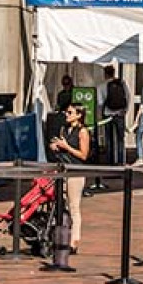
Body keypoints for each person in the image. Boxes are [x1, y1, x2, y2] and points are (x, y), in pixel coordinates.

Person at [49, 103, 92, 254]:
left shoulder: (83, 132)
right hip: (62, 170)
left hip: (75, 172)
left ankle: (74, 241)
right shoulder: (64, 129)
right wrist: (56, 146)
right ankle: (60, 237)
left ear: (79, 115)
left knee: (74, 206)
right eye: (66, 112)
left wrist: (66, 147)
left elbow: (83, 155)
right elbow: (60, 146)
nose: (66, 115)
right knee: (60, 205)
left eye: (70, 112)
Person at [100, 65, 129, 169]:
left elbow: (100, 102)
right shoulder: (121, 83)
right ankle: (121, 161)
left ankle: (109, 161)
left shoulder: (102, 85)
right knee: (120, 139)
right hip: (119, 114)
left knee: (108, 139)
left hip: (108, 114)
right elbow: (127, 97)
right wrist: (125, 110)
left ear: (105, 73)